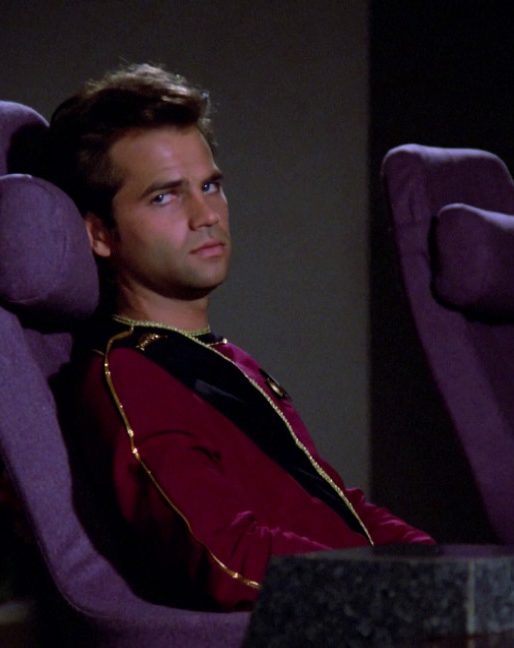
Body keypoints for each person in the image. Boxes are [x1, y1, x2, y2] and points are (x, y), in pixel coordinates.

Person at [50, 63, 434, 612]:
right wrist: (401, 588)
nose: (206, 215)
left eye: (210, 186)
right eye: (165, 197)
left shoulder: (226, 359)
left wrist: (439, 566)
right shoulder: (130, 375)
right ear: (99, 234)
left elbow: (331, 503)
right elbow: (226, 558)